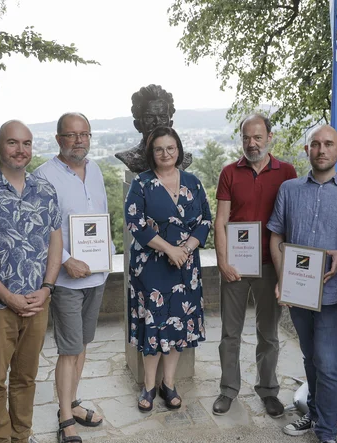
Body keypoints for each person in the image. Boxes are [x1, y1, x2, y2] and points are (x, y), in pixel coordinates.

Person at [267, 125, 337, 443]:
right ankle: (314, 414)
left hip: (333, 294)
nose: (322, 149)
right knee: (310, 358)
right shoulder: (289, 190)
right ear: (307, 150)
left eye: (329, 144)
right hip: (299, 294)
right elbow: (276, 237)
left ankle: (326, 433)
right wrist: (283, 277)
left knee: (328, 363)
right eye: (315, 144)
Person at [0, 120, 63, 443]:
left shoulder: (45, 190)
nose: (20, 150)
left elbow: (55, 241)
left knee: (26, 377)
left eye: (26, 143)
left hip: (37, 303)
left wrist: (47, 289)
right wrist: (5, 294)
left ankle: (21, 436)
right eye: (12, 143)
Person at [33, 112, 111, 443]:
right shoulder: (44, 176)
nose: (78, 140)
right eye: (71, 134)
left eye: (84, 134)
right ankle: (66, 418)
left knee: (82, 347)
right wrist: (65, 261)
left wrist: (105, 254)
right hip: (66, 281)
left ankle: (71, 401)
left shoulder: (94, 170)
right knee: (69, 349)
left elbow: (101, 216)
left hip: (96, 276)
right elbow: (39, 230)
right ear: (58, 139)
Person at [213, 113, 297, 417]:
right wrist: (222, 262)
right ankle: (228, 390)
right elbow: (221, 221)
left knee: (268, 333)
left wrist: (288, 270)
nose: (251, 143)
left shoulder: (287, 171)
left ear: (269, 138)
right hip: (236, 265)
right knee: (230, 334)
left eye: (257, 137)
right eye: (246, 137)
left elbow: (291, 222)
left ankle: (268, 390)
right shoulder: (229, 172)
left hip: (270, 264)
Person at [124, 126, 212, 411]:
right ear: (152, 153)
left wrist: (185, 249)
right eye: (159, 149)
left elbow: (205, 221)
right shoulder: (141, 183)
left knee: (178, 328)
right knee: (154, 327)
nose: (165, 153)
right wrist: (169, 249)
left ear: (179, 150)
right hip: (152, 269)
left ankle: (169, 384)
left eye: (170, 148)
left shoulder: (193, 182)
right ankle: (148, 386)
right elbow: (135, 224)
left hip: (186, 269)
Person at [115, 84, 191, 172]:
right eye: (149, 117)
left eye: (162, 117)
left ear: (170, 124)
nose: (157, 122)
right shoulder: (131, 158)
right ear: (137, 125)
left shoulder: (183, 158)